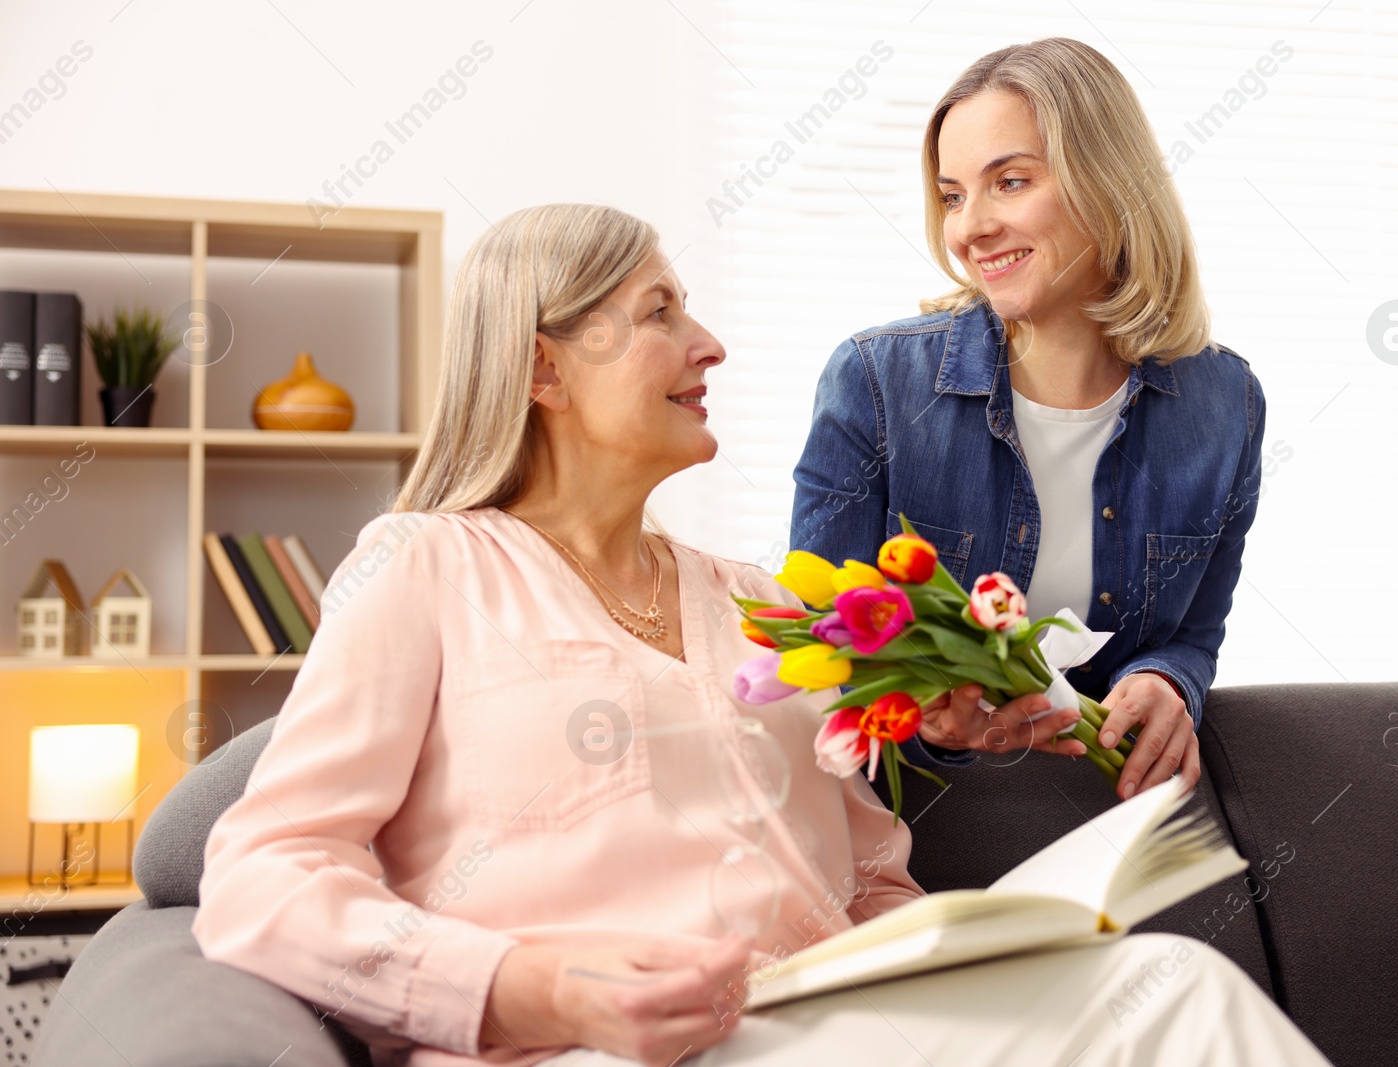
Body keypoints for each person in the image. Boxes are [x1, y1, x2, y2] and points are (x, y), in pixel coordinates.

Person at [192, 203, 1327, 1067]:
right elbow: (263, 874)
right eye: (658, 312)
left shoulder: (765, 610)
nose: (710, 343)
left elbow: (871, 879)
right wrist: (533, 983)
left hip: (828, 1023)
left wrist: (977, 948)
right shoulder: (425, 566)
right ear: (542, 365)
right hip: (594, 1048)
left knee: (1172, 984)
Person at [791, 38, 1264, 800]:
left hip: (1108, 814)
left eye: (1008, 182)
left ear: (1109, 185)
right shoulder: (876, 383)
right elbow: (826, 652)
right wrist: (927, 719)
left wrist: (1168, 680)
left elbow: (1191, 635)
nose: (968, 228)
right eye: (951, 195)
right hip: (927, 820)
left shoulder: (1224, 404)